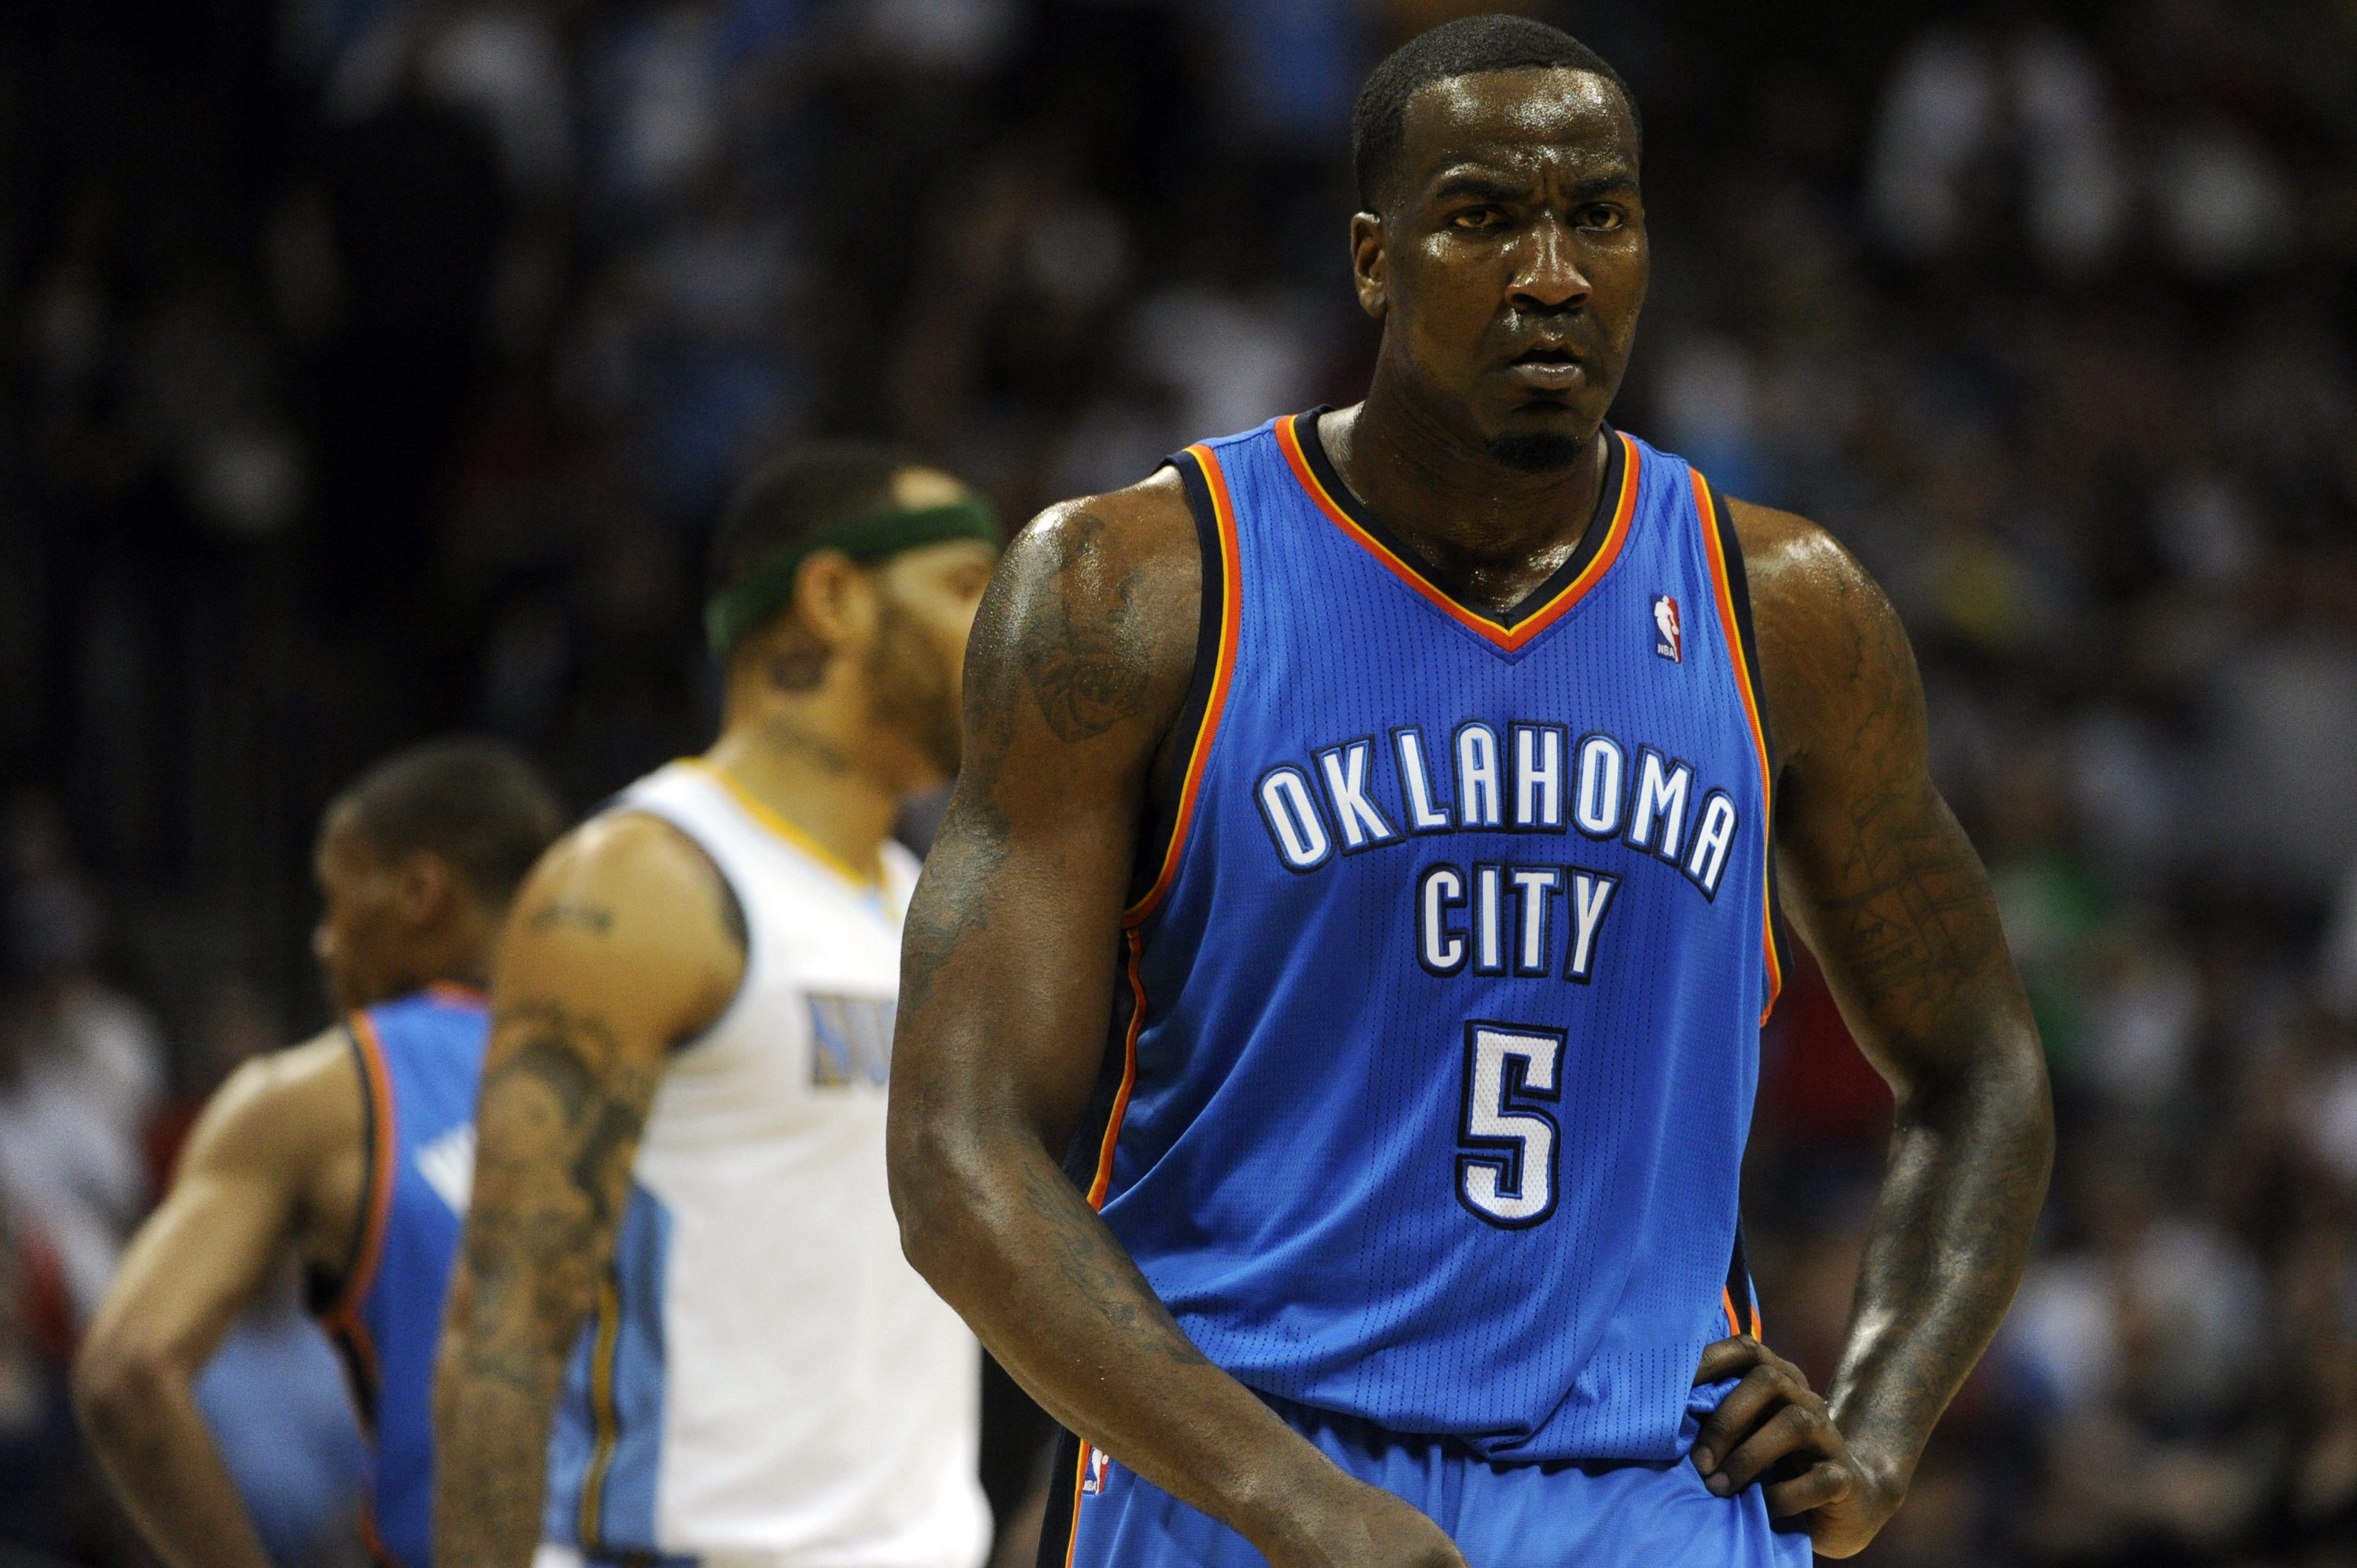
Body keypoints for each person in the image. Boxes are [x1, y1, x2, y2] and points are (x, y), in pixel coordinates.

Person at [885, 16, 2054, 1568]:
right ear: (1375, 259)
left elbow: (1982, 1063)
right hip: (1250, 1480)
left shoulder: (1786, 605)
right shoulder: (1134, 586)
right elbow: (957, 1154)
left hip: (1654, 1490)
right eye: (1485, 216)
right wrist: (1302, 1503)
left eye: (1602, 215)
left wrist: (1887, 1419)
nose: (1554, 271)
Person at [432, 444, 999, 1568]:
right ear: (831, 597)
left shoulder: (933, 911)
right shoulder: (645, 883)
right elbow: (503, 1324)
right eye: (969, 585)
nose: (1010, 630)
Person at [73, 739, 566, 1568]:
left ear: (419, 892)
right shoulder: (669, 1075)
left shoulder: (320, 1099)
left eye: (337, 901)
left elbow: (125, 1375)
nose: (326, 944)